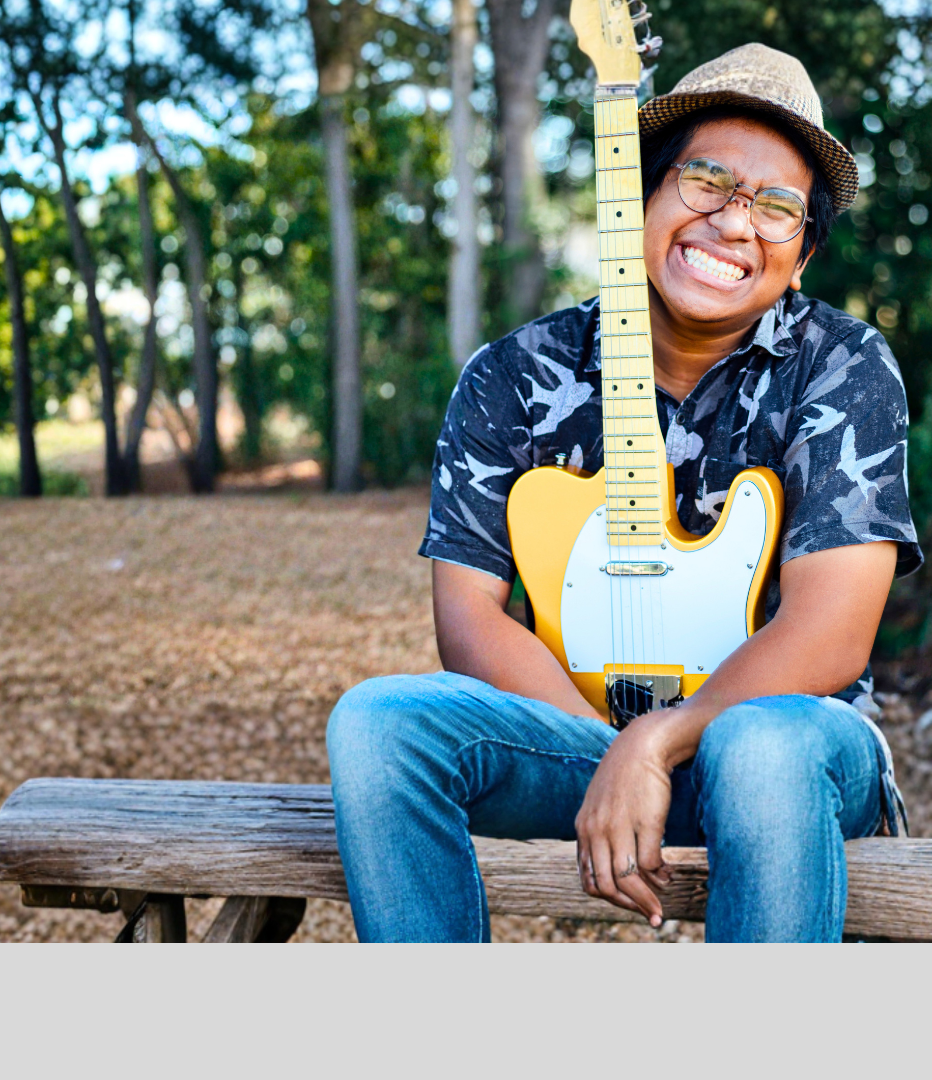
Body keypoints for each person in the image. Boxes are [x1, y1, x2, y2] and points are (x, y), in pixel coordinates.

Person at [326, 44, 917, 942]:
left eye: (777, 207)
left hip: (791, 754)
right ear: (640, 197)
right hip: (576, 742)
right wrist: (615, 763)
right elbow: (469, 617)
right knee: (377, 725)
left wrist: (658, 741)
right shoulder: (511, 376)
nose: (734, 222)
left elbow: (831, 633)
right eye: (707, 181)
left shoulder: (843, 366)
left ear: (801, 257)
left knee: (758, 746)